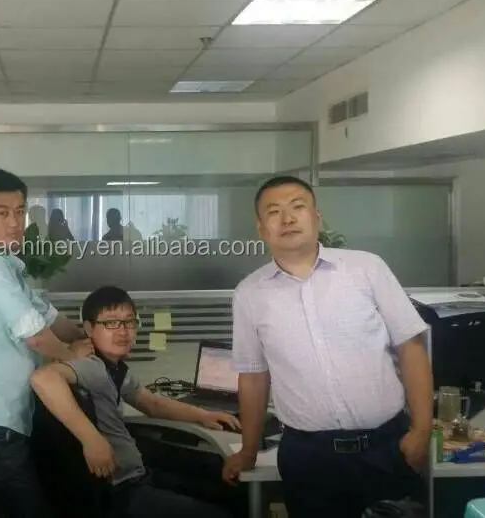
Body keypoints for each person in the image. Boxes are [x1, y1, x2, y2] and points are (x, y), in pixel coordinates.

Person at [221, 175, 433, 518]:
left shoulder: (367, 268)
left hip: (386, 448)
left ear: (317, 217)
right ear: (261, 229)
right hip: (308, 459)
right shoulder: (250, 293)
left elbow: (411, 347)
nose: (287, 218)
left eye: (298, 207)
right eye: (274, 212)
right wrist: (248, 449)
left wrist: (422, 429)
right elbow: (253, 376)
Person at [0, 169, 94, 518]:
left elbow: (48, 318)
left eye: (19, 211)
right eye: (3, 213)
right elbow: (36, 336)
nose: (15, 222)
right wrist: (75, 359)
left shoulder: (5, 265)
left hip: (7, 422)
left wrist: (88, 336)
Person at [31, 285, 239, 518]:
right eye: (111, 323)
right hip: (120, 491)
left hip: (135, 476)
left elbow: (151, 404)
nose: (123, 331)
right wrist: (92, 440)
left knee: (218, 489)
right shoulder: (92, 366)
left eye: (129, 322)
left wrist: (203, 415)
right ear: (89, 329)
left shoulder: (113, 368)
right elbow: (43, 378)